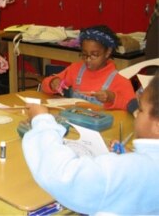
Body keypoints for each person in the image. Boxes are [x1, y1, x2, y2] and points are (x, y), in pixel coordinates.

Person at [22, 72, 159, 215]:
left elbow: (63, 176)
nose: (136, 115)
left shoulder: (130, 170)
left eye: (141, 110)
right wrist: (135, 156)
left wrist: (42, 121)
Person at [41, 25, 138, 112]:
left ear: (108, 52)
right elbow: (45, 86)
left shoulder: (119, 80)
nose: (87, 60)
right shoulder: (75, 70)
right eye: (84, 55)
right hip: (76, 122)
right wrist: (52, 83)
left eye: (94, 55)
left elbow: (134, 107)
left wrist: (112, 98)